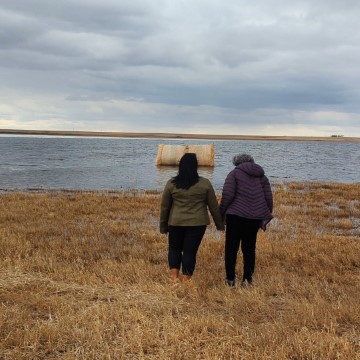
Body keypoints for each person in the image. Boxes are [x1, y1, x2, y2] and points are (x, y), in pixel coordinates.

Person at [160, 153, 224, 284]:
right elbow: (214, 207)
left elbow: (165, 207)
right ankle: (187, 279)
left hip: (175, 222)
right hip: (197, 223)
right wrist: (220, 225)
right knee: (190, 251)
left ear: (180, 166)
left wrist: (163, 226)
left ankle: (174, 278)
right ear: (196, 166)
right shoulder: (205, 183)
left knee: (174, 249)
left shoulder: (171, 184)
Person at [220, 154, 273, 287]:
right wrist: (265, 214)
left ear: (237, 163)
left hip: (235, 216)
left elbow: (227, 195)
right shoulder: (262, 176)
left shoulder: (234, 174)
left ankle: (230, 280)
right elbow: (268, 198)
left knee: (231, 248)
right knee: (249, 248)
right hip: (254, 218)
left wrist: (221, 213)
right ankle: (247, 280)